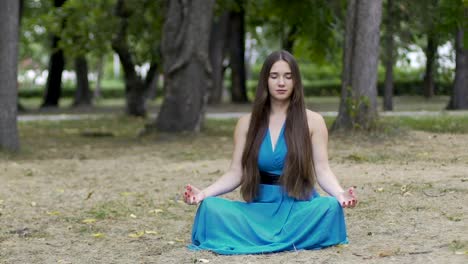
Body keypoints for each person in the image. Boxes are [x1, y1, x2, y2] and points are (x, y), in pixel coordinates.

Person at [183, 50, 357, 255]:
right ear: (265, 80)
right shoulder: (246, 123)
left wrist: (339, 194)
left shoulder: (313, 121)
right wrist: (203, 193)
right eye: (274, 76)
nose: (281, 82)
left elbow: (323, 169)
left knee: (329, 207)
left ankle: (274, 238)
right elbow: (235, 173)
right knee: (210, 208)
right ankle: (280, 238)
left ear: (296, 81)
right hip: (259, 210)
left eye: (288, 76)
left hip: (298, 206)